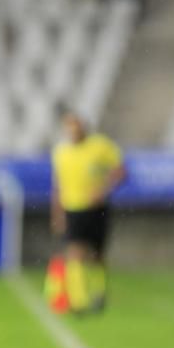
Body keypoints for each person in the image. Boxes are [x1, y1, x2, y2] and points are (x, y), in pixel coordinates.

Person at [50, 111, 126, 313]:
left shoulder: (100, 146)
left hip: (97, 208)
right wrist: (57, 213)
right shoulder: (61, 153)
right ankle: (79, 300)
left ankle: (99, 293)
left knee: (97, 254)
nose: (73, 130)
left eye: (76, 125)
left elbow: (120, 171)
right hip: (72, 208)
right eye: (69, 126)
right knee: (74, 252)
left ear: (83, 127)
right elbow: (58, 185)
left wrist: (104, 190)